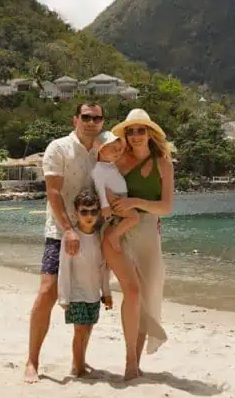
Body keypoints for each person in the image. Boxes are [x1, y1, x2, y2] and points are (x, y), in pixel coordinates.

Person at [24, 101, 105, 383]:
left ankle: (78, 362)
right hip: (60, 230)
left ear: (102, 122)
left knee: (89, 293)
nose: (91, 122)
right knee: (47, 291)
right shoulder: (58, 148)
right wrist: (69, 230)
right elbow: (54, 193)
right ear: (75, 120)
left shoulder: (104, 147)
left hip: (94, 230)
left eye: (97, 118)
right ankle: (32, 361)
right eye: (86, 117)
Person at [102, 108, 174, 381]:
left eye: (140, 130)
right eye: (130, 131)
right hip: (122, 230)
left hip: (149, 233)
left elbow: (166, 207)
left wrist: (136, 202)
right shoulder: (119, 162)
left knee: (148, 297)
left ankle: (137, 360)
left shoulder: (164, 163)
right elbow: (101, 185)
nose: (135, 136)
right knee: (132, 294)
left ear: (150, 133)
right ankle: (130, 362)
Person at [57, 189, 113, 377]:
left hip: (93, 295)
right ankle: (78, 369)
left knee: (88, 329)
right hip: (76, 294)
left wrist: (106, 293)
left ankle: (79, 361)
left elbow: (104, 267)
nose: (89, 216)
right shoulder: (71, 239)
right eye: (84, 211)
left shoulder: (100, 237)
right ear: (76, 214)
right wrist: (64, 297)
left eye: (93, 211)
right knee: (79, 331)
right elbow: (64, 269)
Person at [92, 132, 139, 245]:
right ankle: (114, 236)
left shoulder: (110, 165)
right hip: (113, 200)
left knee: (122, 219)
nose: (118, 152)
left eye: (119, 149)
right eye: (113, 149)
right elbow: (100, 188)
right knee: (134, 217)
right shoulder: (98, 169)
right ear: (101, 150)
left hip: (119, 197)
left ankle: (116, 234)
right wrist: (105, 206)